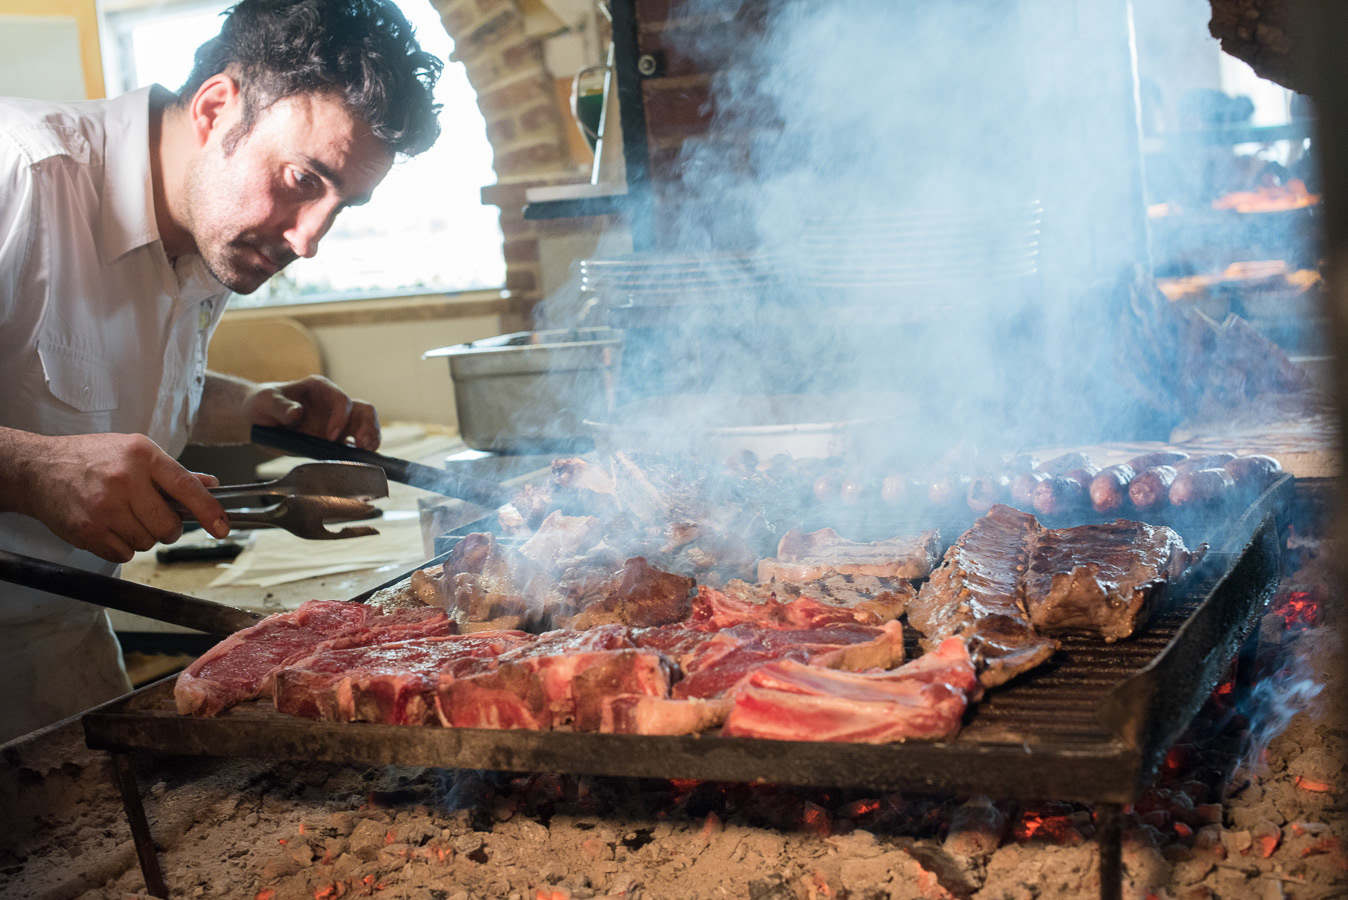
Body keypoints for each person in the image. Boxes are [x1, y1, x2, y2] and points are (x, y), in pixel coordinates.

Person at [0, 0, 442, 743]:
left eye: (343, 206)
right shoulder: (19, 171)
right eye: (303, 179)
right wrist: (29, 470)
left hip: (62, 644)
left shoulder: (213, 226)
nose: (309, 240)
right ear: (214, 109)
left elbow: (85, 375)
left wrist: (253, 406)